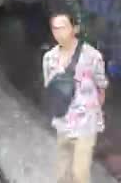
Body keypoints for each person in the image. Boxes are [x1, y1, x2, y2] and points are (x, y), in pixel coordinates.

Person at [43, 10, 108, 183]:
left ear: (75, 28)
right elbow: (50, 88)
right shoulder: (49, 58)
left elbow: (101, 87)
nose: (59, 33)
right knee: (62, 174)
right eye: (55, 29)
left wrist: (94, 113)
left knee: (80, 174)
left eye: (63, 27)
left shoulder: (92, 56)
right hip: (62, 122)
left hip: (85, 124)